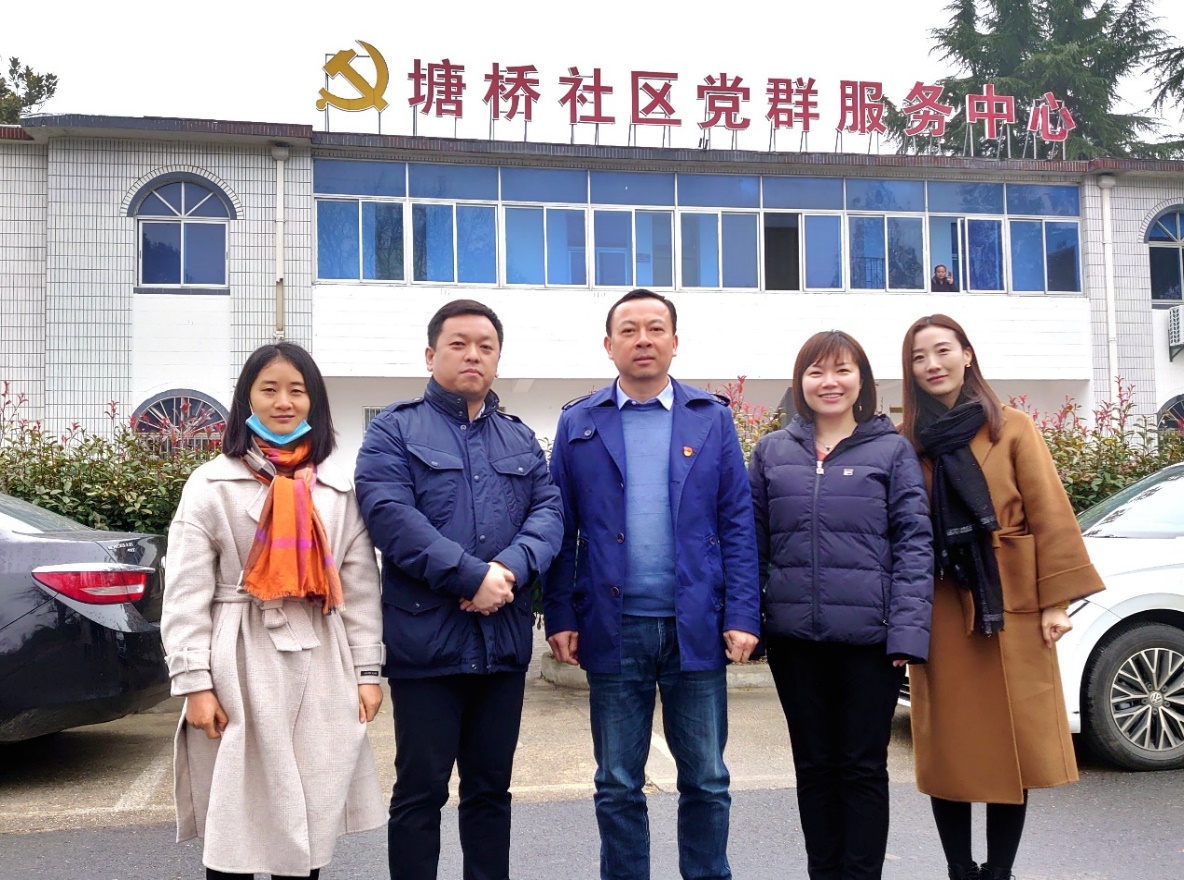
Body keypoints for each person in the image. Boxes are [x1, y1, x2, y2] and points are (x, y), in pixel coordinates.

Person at [544, 288, 761, 880]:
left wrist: (743, 614)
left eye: (655, 328)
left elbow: (737, 524)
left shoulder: (711, 418)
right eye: (630, 330)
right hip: (613, 627)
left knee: (707, 780)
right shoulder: (579, 422)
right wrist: (560, 614)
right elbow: (560, 528)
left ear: (674, 341)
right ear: (609, 344)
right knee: (617, 782)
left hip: (696, 627)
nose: (643, 340)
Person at [353, 299, 564, 880]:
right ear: (431, 354)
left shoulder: (518, 439)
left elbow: (548, 514)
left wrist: (508, 571)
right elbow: (391, 517)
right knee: (420, 792)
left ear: (497, 359)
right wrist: (472, 576)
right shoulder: (393, 431)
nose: (473, 354)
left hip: (502, 647)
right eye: (459, 344)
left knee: (491, 792)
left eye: (485, 346)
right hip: (427, 647)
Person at [162, 342, 386, 880]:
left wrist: (368, 673)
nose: (283, 402)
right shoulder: (210, 484)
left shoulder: (337, 488)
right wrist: (195, 683)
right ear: (247, 399)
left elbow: (359, 589)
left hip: (322, 656)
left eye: (296, 390)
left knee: (309, 813)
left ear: (314, 403)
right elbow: (186, 591)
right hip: (237, 658)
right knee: (236, 817)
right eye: (269, 389)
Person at [899, 314, 1106, 880]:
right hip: (940, 606)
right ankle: (959, 869)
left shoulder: (1011, 426)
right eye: (918, 357)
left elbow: (1049, 513)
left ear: (967, 354)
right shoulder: (907, 442)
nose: (932, 364)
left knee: (1010, 745)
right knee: (949, 748)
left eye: (943, 350)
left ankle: (999, 872)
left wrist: (1056, 602)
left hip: (1008, 604)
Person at [748, 330, 933, 880]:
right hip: (795, 641)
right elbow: (750, 545)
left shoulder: (891, 450)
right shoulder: (772, 451)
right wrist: (749, 621)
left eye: (842, 370)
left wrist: (907, 632)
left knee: (862, 768)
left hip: (870, 643)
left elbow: (914, 543)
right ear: (800, 382)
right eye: (816, 372)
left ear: (862, 381)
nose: (829, 382)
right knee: (813, 768)